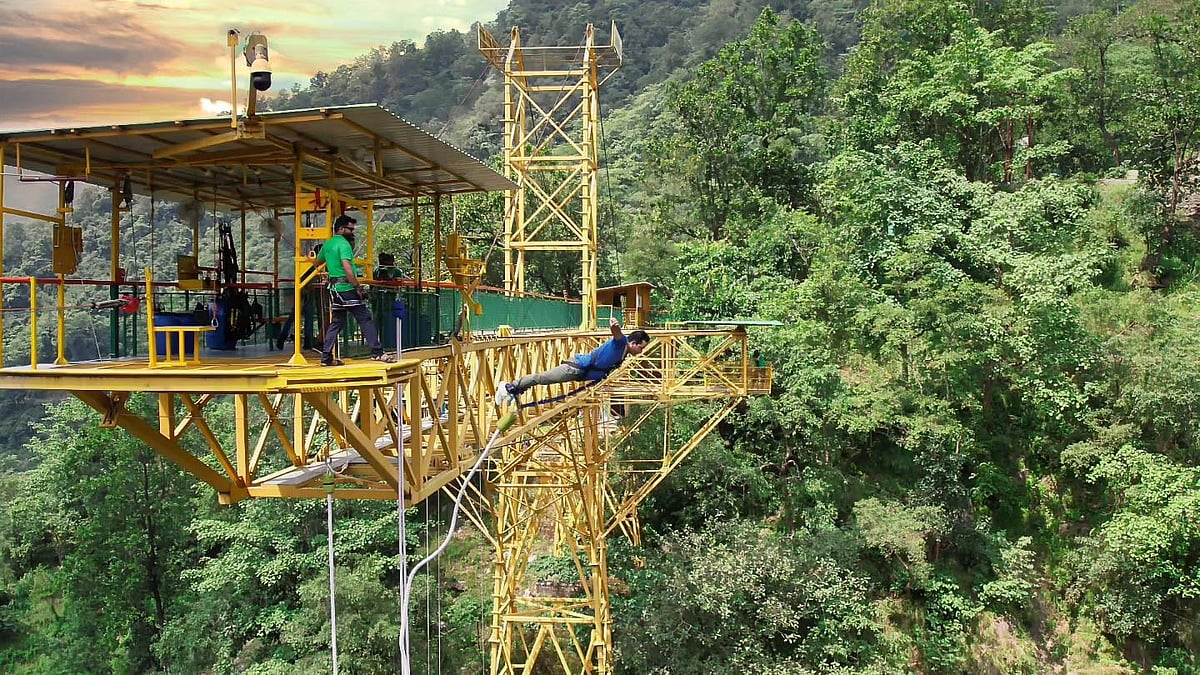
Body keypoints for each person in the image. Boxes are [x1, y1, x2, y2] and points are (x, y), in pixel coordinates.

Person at [494, 317, 650, 405]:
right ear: (633, 343)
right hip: (575, 368)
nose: (640, 352)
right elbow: (617, 334)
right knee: (542, 378)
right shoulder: (621, 344)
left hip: (580, 372)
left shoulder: (623, 353)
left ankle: (515, 391)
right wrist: (615, 326)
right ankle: (510, 387)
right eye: (641, 348)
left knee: (543, 379)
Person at [319, 213, 394, 366]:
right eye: (350, 229)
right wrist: (357, 287)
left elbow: (317, 262)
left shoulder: (328, 244)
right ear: (340, 229)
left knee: (337, 322)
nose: (352, 232)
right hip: (346, 287)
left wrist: (328, 273)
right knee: (364, 318)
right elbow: (347, 267)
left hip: (334, 289)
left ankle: (326, 358)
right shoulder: (344, 245)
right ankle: (377, 352)